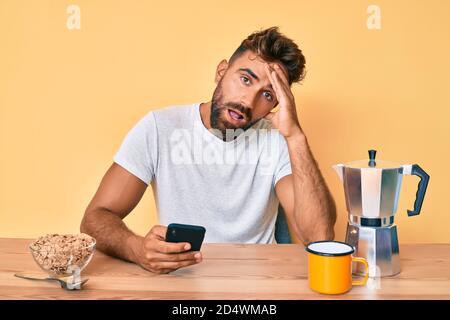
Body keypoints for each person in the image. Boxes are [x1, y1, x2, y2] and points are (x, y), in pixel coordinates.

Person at [80, 26, 336, 274]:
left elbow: (319, 238)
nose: (248, 101)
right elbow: (95, 218)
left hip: (260, 281)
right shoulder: (160, 128)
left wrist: (295, 136)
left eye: (268, 95)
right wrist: (136, 249)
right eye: (245, 79)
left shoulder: (278, 138)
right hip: (183, 278)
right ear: (221, 71)